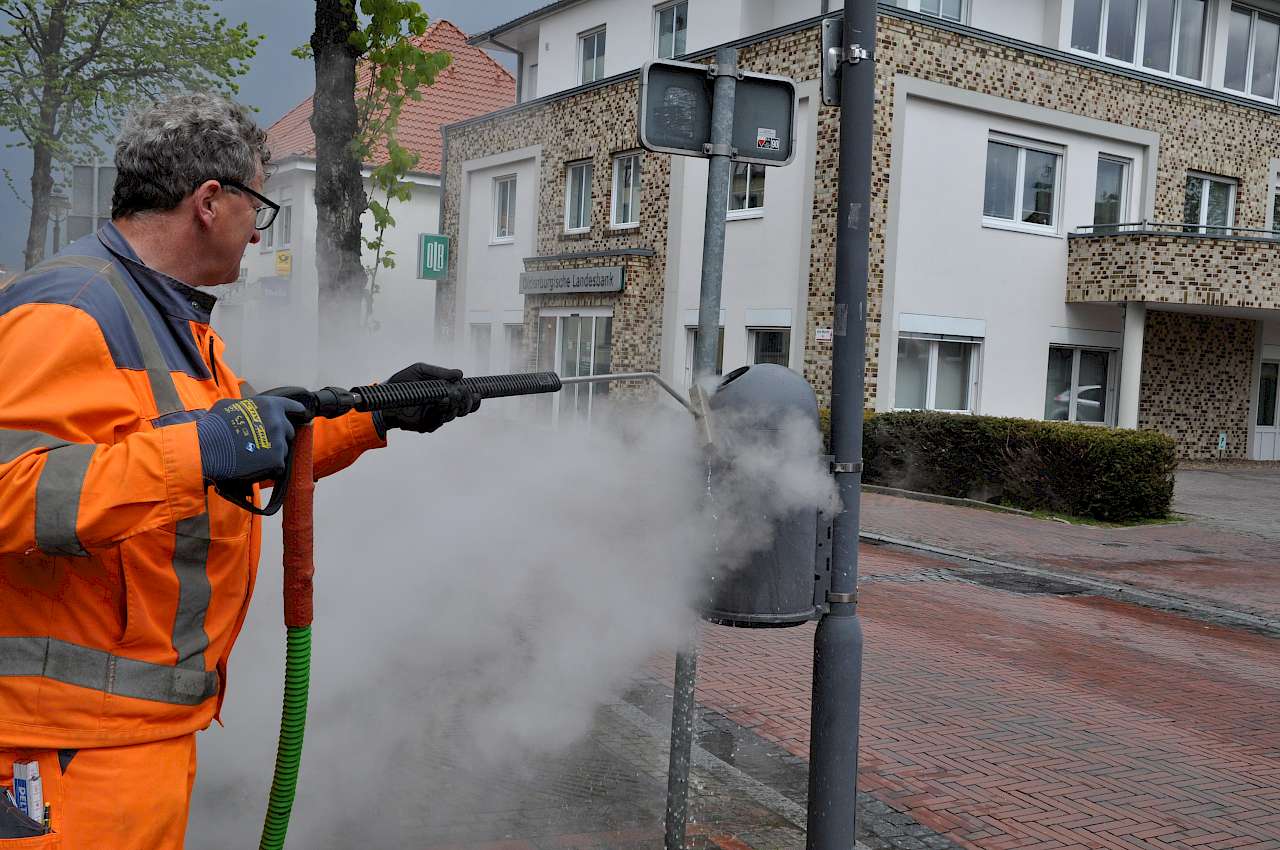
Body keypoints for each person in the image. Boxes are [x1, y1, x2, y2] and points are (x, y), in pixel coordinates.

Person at [0, 93, 477, 848]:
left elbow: (247, 451)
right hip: (62, 751)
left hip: (131, 734)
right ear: (208, 202)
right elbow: (12, 493)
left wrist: (381, 412)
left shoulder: (173, 322)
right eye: (258, 207)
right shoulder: (72, 310)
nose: (259, 232)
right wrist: (200, 450)